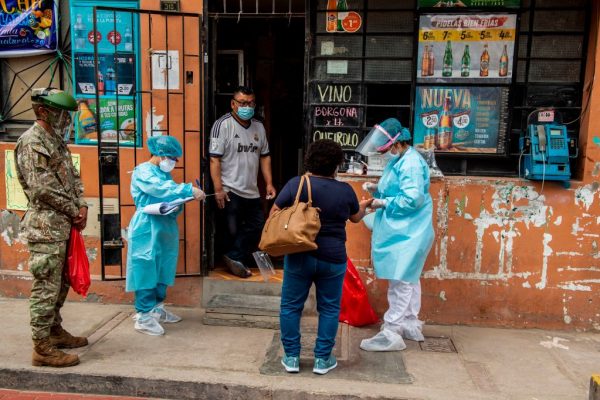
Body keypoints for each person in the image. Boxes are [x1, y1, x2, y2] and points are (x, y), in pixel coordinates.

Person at [271, 139, 372, 375]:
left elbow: (275, 212)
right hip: (333, 258)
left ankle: (292, 358)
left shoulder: (297, 184)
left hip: (299, 253)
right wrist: (364, 206)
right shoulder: (345, 190)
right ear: (337, 164)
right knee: (329, 308)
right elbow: (355, 218)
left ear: (310, 160)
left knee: (290, 307)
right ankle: (322, 360)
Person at [15, 88, 88, 367]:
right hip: (45, 228)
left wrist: (82, 206)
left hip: (64, 225)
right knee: (46, 285)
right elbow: (41, 188)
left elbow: (73, 177)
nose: (67, 120)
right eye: (62, 114)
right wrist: (73, 210)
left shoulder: (56, 141)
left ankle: (54, 331)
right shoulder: (32, 142)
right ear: (43, 111)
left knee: (60, 283)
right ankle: (42, 348)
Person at [356, 118, 434, 352]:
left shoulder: (409, 163)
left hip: (409, 228)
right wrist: (376, 188)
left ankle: (392, 331)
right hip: (406, 228)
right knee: (410, 275)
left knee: (400, 278)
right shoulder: (401, 159)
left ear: (396, 142)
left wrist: (380, 201)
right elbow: (396, 187)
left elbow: (412, 199)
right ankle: (410, 322)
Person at [126, 135, 206, 336]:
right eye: (172, 157)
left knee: (163, 267)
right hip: (146, 226)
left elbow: (170, 194)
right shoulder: (143, 171)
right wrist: (188, 189)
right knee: (145, 267)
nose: (174, 162)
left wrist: (182, 200)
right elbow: (160, 189)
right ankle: (144, 316)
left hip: (164, 226)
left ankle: (156, 308)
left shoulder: (163, 174)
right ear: (160, 154)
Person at [209, 86, 276, 278]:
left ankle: (233, 257)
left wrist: (269, 183)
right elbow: (214, 159)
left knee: (257, 225)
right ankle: (235, 260)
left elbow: (265, 156)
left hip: (251, 190)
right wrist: (218, 189)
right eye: (243, 103)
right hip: (230, 188)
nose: (247, 106)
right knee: (231, 230)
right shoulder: (222, 125)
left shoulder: (258, 127)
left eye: (251, 103)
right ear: (233, 104)